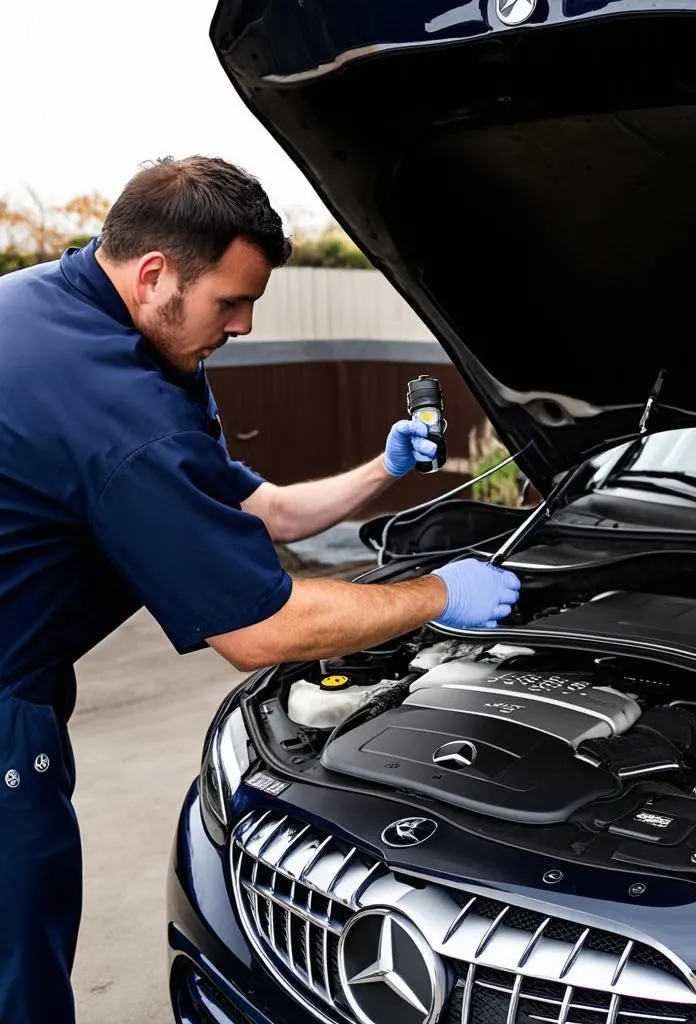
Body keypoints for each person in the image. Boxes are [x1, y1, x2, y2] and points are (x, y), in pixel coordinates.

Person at [0, 155, 521, 1024]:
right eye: (230, 303)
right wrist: (439, 595)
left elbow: (265, 510)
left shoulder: (74, 309)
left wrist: (380, 470)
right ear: (159, 273)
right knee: (18, 964)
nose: (241, 326)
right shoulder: (114, 408)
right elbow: (260, 629)